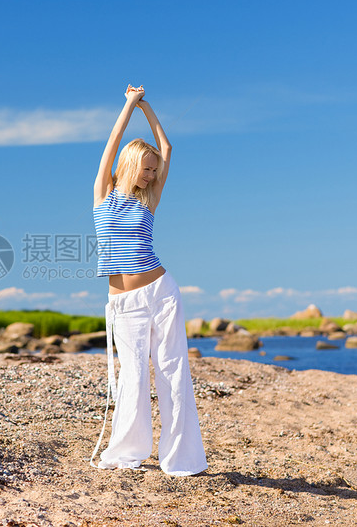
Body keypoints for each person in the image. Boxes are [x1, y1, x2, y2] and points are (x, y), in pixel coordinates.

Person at [90, 85, 208, 476]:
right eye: (147, 168)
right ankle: (127, 454)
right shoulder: (104, 193)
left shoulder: (149, 199)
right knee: (134, 378)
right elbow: (112, 140)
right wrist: (128, 105)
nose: (153, 175)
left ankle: (182, 460)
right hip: (123, 303)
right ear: (131, 164)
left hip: (161, 292)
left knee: (173, 370)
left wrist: (148, 107)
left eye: (155, 171)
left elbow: (168, 148)